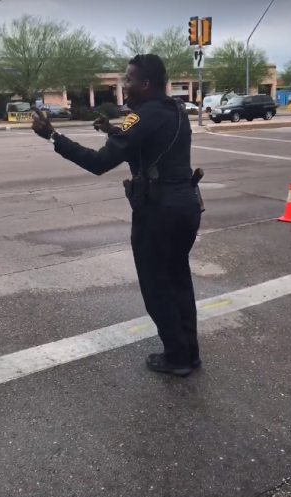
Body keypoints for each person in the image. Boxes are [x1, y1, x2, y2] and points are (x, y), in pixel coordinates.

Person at [31, 54, 202, 378]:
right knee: (179, 278)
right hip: (186, 208)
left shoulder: (143, 117)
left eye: (129, 79)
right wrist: (112, 129)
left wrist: (54, 137)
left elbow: (98, 163)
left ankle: (176, 357)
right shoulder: (176, 110)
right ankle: (189, 352)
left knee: (156, 285)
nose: (124, 85)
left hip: (157, 213)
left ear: (146, 84)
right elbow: (148, 144)